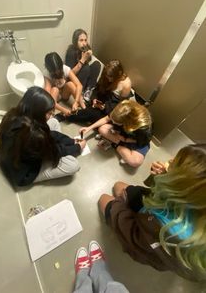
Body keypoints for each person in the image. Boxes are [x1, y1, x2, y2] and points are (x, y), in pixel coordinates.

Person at [98, 144, 206, 282]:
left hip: (146, 237)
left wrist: (119, 207)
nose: (171, 160)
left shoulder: (171, 232)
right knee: (119, 186)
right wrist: (160, 177)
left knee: (103, 199)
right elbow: (158, 193)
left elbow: (133, 237)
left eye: (177, 163)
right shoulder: (197, 200)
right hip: (157, 209)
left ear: (180, 185)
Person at [0, 87, 86, 187]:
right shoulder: (35, 136)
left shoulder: (13, 114)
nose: (51, 115)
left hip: (18, 157)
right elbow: (55, 152)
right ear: (38, 112)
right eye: (49, 113)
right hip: (23, 174)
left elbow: (50, 136)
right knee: (73, 165)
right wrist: (78, 147)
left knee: (54, 122)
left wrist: (71, 141)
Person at [56, 59, 134, 124]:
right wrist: (94, 100)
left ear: (118, 74)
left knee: (92, 114)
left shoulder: (126, 84)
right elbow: (98, 89)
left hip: (111, 108)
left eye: (111, 77)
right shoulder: (106, 76)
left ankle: (67, 115)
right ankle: (79, 111)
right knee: (89, 106)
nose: (109, 79)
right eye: (107, 76)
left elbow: (120, 107)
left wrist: (104, 107)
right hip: (103, 99)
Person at [80, 100, 152, 167]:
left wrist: (124, 140)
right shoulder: (121, 109)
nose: (112, 122)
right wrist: (89, 128)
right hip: (122, 134)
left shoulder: (144, 130)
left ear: (127, 123)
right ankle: (121, 148)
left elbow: (141, 142)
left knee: (135, 162)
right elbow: (106, 119)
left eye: (116, 122)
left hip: (136, 140)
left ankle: (114, 144)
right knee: (102, 129)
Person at [44, 52, 86, 116]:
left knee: (70, 84)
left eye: (59, 69)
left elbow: (79, 85)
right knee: (55, 89)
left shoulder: (65, 68)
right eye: (55, 71)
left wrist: (76, 101)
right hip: (55, 97)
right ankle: (52, 113)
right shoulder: (46, 74)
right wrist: (64, 110)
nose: (57, 72)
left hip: (64, 94)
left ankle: (85, 108)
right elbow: (48, 98)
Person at [65, 28, 101, 99]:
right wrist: (82, 60)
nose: (84, 43)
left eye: (85, 40)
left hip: (84, 78)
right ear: (75, 41)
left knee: (97, 64)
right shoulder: (71, 52)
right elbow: (69, 75)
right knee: (86, 68)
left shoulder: (85, 48)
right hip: (74, 80)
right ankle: (81, 91)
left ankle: (88, 90)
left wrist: (88, 55)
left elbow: (89, 61)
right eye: (81, 40)